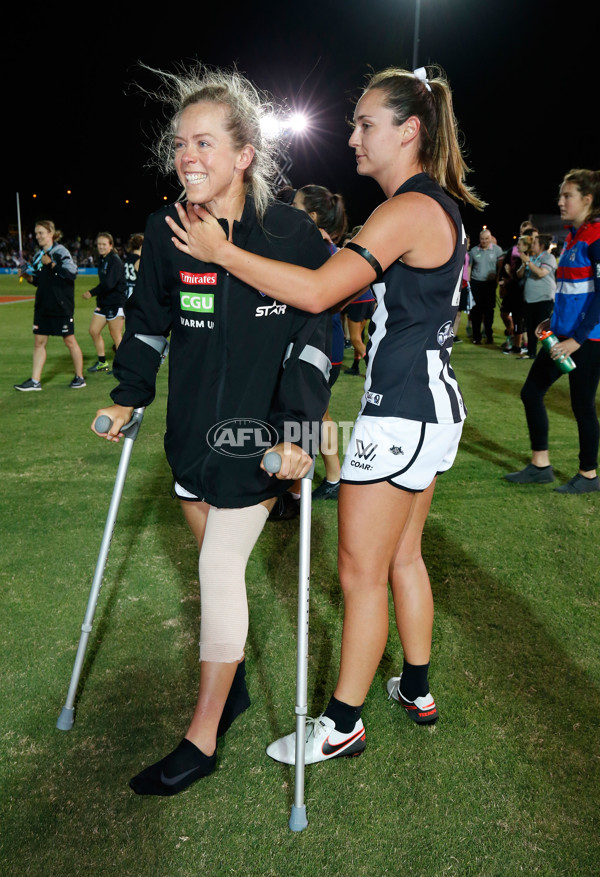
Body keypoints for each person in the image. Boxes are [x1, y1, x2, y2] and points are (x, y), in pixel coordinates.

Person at [169, 64, 485, 764]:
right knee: (404, 556)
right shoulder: (433, 204)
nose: (352, 138)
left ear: (409, 131)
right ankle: (417, 687)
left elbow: (317, 294)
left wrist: (225, 253)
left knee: (360, 573)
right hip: (432, 409)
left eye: (366, 124)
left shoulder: (407, 209)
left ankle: (342, 724)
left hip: (400, 412)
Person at [92, 63, 331, 795]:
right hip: (189, 437)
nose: (187, 157)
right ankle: (234, 686)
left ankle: (201, 737)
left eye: (203, 143)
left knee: (220, 570)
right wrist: (128, 395)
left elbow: (318, 336)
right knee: (210, 569)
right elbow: (148, 324)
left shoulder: (291, 232)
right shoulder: (165, 230)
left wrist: (300, 433)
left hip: (260, 442)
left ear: (244, 154)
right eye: (179, 144)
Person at [505, 168, 600, 494]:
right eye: (560, 195)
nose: (560, 201)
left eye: (567, 195)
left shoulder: (596, 236)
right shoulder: (573, 236)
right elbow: (571, 290)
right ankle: (540, 466)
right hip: (561, 334)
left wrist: (577, 339)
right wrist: (553, 321)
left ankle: (589, 475)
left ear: (587, 199)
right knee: (531, 392)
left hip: (587, 340)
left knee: (582, 406)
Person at [292, 184, 348, 500]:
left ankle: (296, 489)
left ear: (312, 216)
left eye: (296, 206)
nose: (290, 211)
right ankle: (333, 478)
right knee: (319, 413)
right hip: (327, 345)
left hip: (319, 347)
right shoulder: (328, 249)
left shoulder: (316, 250)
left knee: (305, 415)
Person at [14, 220, 86, 391]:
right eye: (36, 233)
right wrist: (27, 276)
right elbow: (38, 280)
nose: (38, 236)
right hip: (43, 306)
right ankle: (35, 381)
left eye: (41, 233)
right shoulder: (38, 256)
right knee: (39, 342)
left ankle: (80, 377)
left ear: (51, 233)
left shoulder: (61, 252)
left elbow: (71, 274)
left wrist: (51, 264)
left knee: (69, 340)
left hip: (61, 305)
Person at [82, 232, 127, 372]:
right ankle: (102, 362)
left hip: (115, 303)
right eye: (99, 244)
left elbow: (109, 284)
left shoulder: (114, 260)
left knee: (115, 334)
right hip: (103, 303)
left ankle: (123, 366)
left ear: (110, 245)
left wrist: (91, 292)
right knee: (93, 331)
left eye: (104, 244)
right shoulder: (103, 259)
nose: (101, 247)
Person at [341, 225, 376, 376]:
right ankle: (355, 366)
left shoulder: (353, 253)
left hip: (358, 299)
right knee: (360, 337)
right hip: (369, 298)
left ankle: (374, 367)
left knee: (355, 339)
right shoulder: (370, 252)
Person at [517, 231, 556, 359]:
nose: (532, 245)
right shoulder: (533, 258)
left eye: (535, 243)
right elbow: (519, 274)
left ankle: (553, 353)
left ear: (542, 246)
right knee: (530, 328)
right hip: (530, 300)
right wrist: (525, 264)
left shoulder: (548, 258)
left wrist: (528, 262)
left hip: (543, 299)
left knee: (544, 330)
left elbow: (541, 273)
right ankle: (531, 353)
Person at [468, 228, 503, 345]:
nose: (484, 241)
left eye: (486, 239)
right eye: (482, 239)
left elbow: (500, 267)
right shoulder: (474, 251)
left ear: (490, 238)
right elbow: (469, 267)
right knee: (476, 311)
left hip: (490, 284)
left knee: (489, 312)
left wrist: (498, 278)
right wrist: (469, 282)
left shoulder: (497, 250)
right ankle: (476, 337)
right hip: (476, 283)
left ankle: (489, 335)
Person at [123, 233, 144, 299]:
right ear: (141, 245)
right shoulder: (139, 260)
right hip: (135, 294)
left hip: (126, 292)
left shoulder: (127, 258)